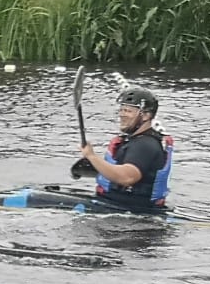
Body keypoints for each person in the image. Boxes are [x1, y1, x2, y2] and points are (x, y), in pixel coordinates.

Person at [74, 86, 173, 214]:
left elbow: (127, 178)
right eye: (121, 110)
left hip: (131, 210)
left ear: (146, 115)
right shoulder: (134, 140)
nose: (122, 114)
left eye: (128, 111)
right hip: (116, 203)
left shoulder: (145, 145)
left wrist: (92, 156)